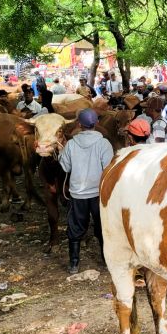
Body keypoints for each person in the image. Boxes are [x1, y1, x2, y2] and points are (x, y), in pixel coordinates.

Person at [59, 109, 114, 274]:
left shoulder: (71, 144)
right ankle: (106, 261)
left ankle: (74, 264)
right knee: (102, 227)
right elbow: (109, 169)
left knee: (75, 227)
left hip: (77, 194)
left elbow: (66, 167)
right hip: (99, 193)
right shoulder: (104, 144)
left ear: (79, 124)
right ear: (96, 123)